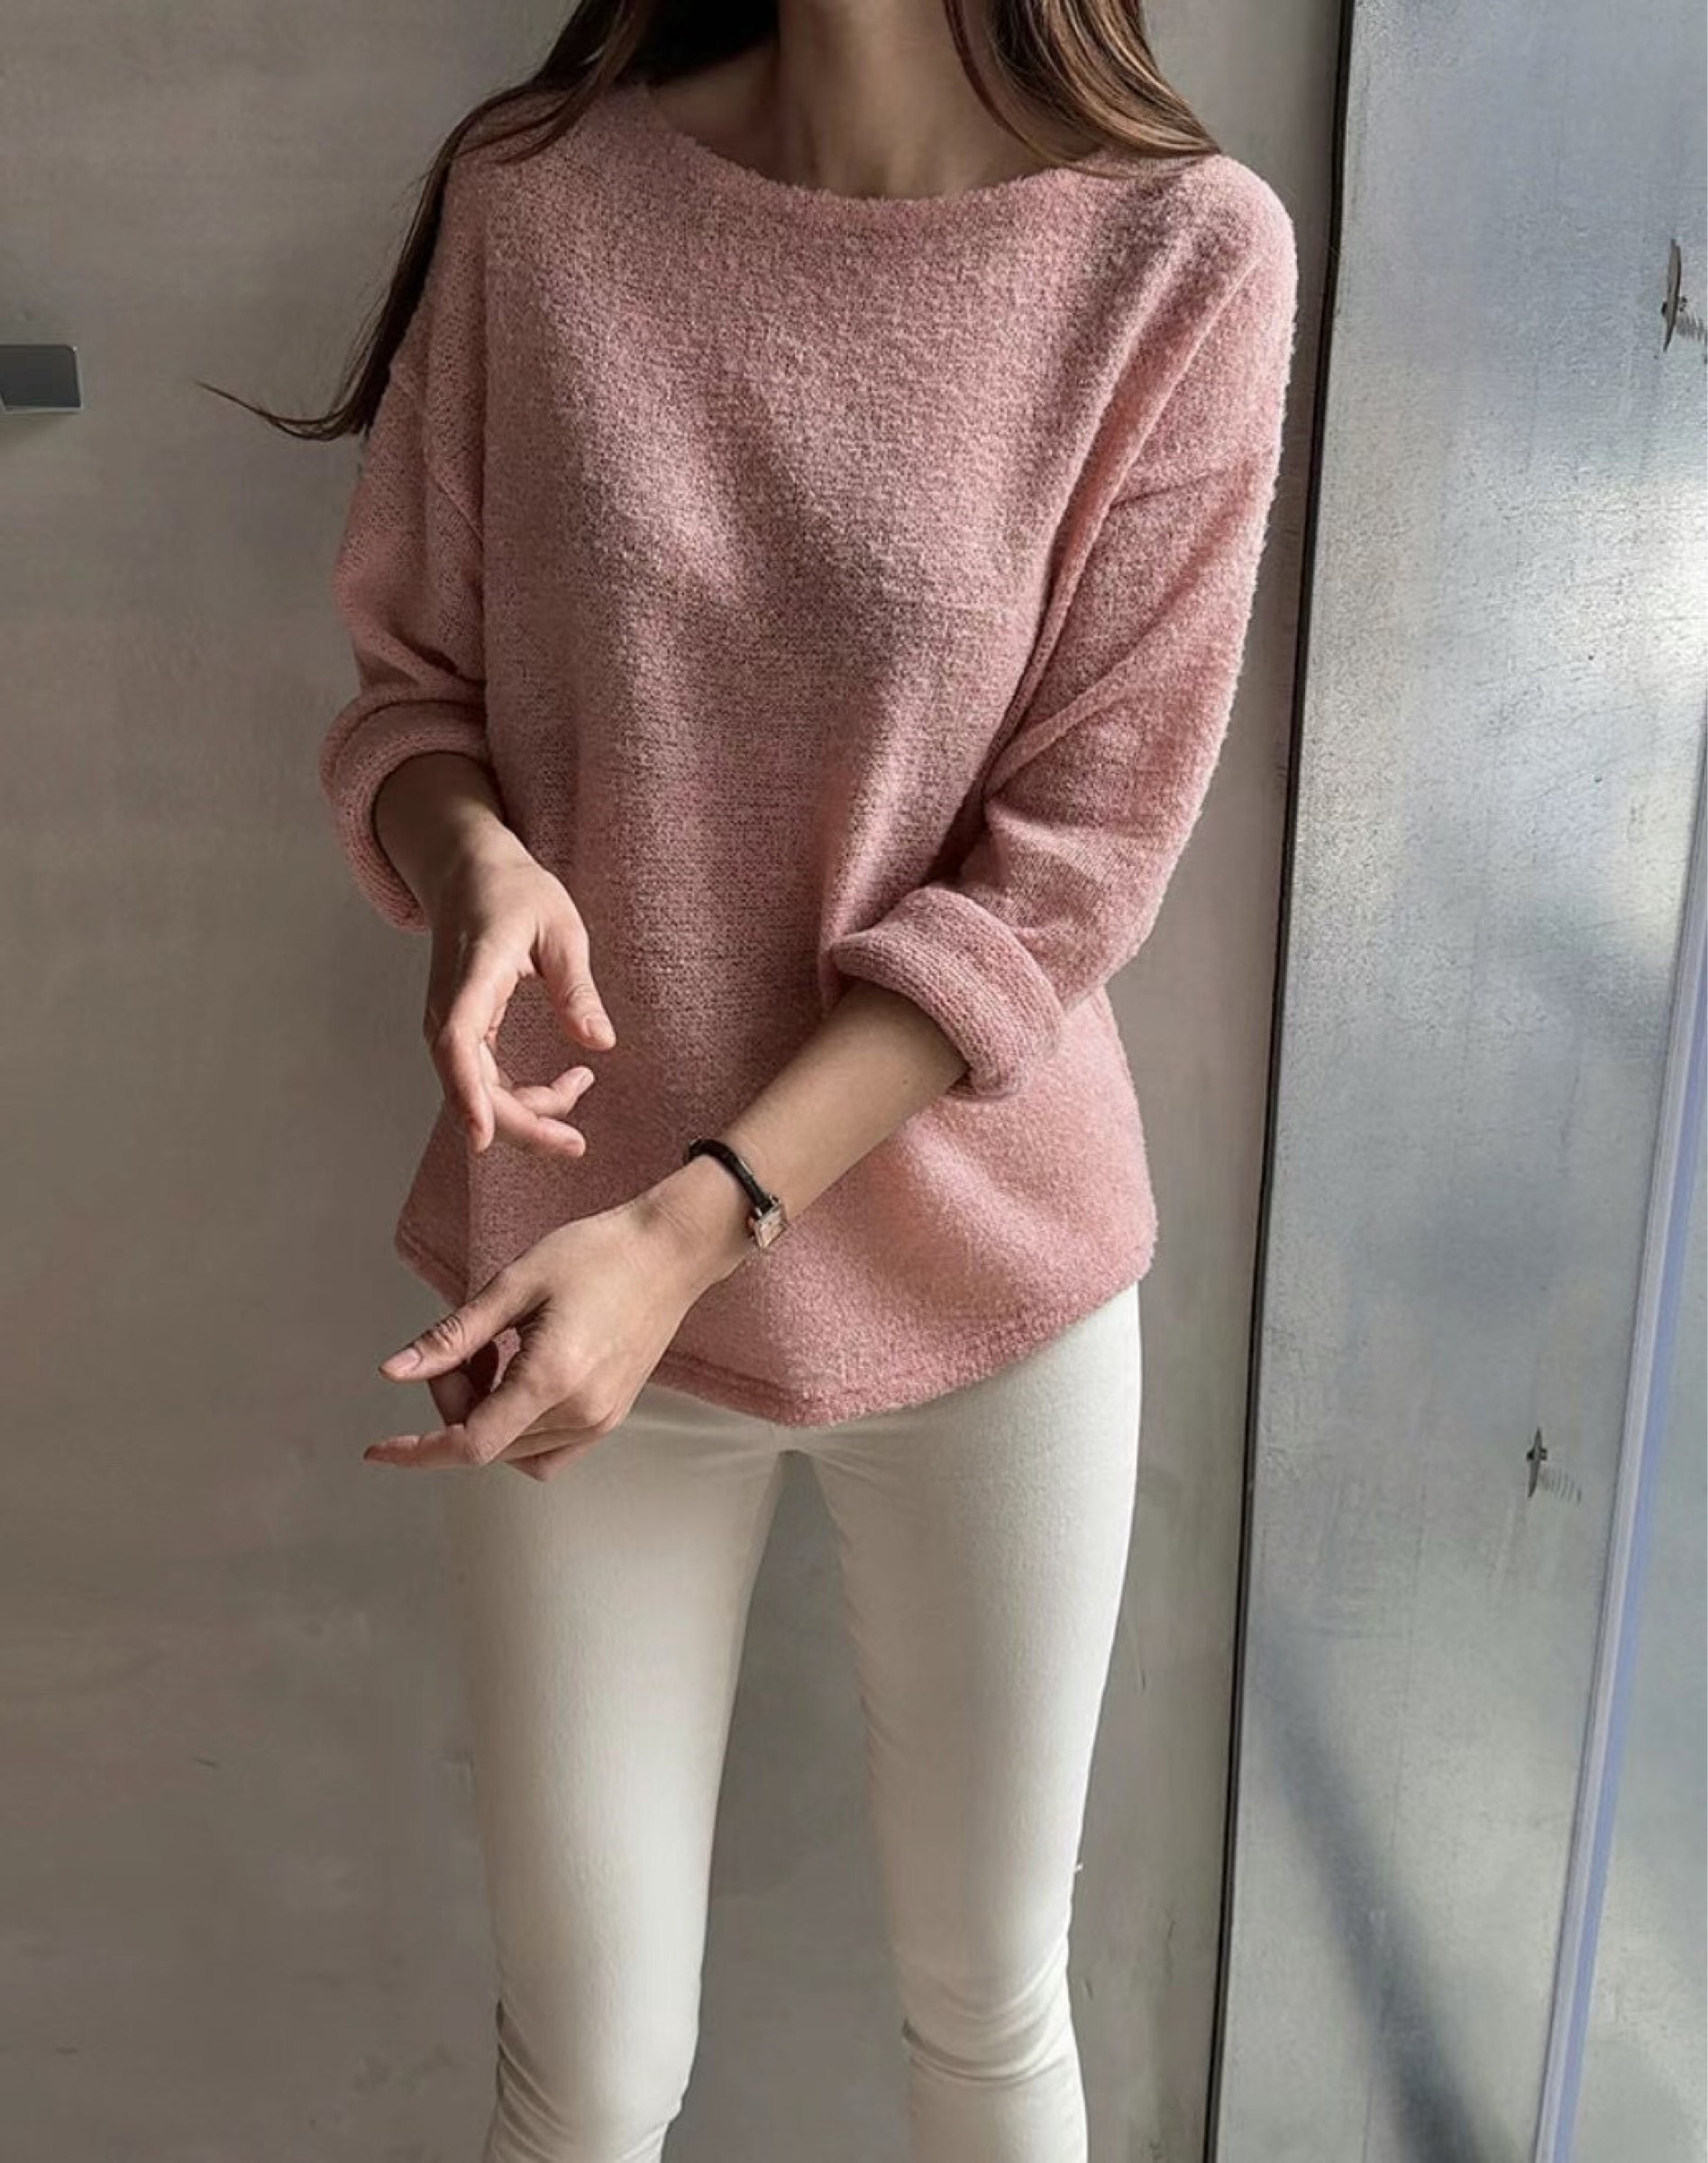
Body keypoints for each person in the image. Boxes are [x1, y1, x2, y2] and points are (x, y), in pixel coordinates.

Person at [271, 5, 1296, 2157]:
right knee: (582, 2073)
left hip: (978, 1277)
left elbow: (1068, 872)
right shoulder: (542, 204)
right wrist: (473, 866)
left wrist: (697, 1222)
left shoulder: (1180, 258)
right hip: (577, 1281)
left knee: (990, 2011)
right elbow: (412, 690)